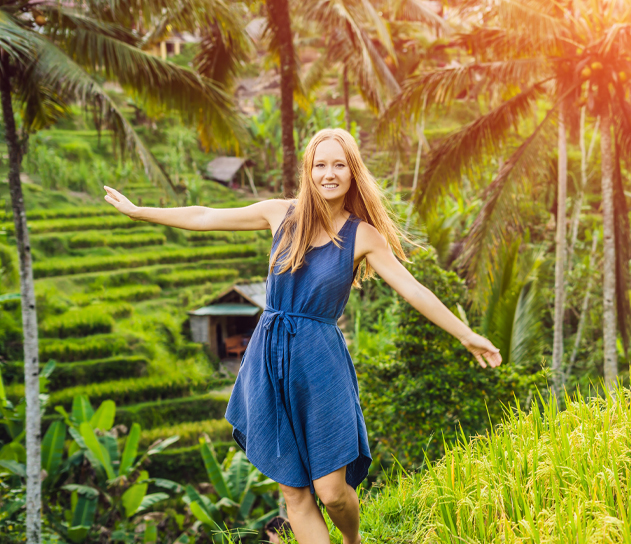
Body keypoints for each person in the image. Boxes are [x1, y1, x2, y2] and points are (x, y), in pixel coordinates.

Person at [102, 128, 502, 544]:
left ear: (352, 172)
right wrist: (140, 211)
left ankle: (352, 540)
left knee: (331, 492)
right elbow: (205, 216)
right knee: (294, 491)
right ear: (309, 171)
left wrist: (466, 334)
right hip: (268, 357)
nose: (329, 174)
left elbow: (414, 290)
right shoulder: (280, 214)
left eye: (339, 165)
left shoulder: (363, 236)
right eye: (320, 165)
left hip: (319, 361)